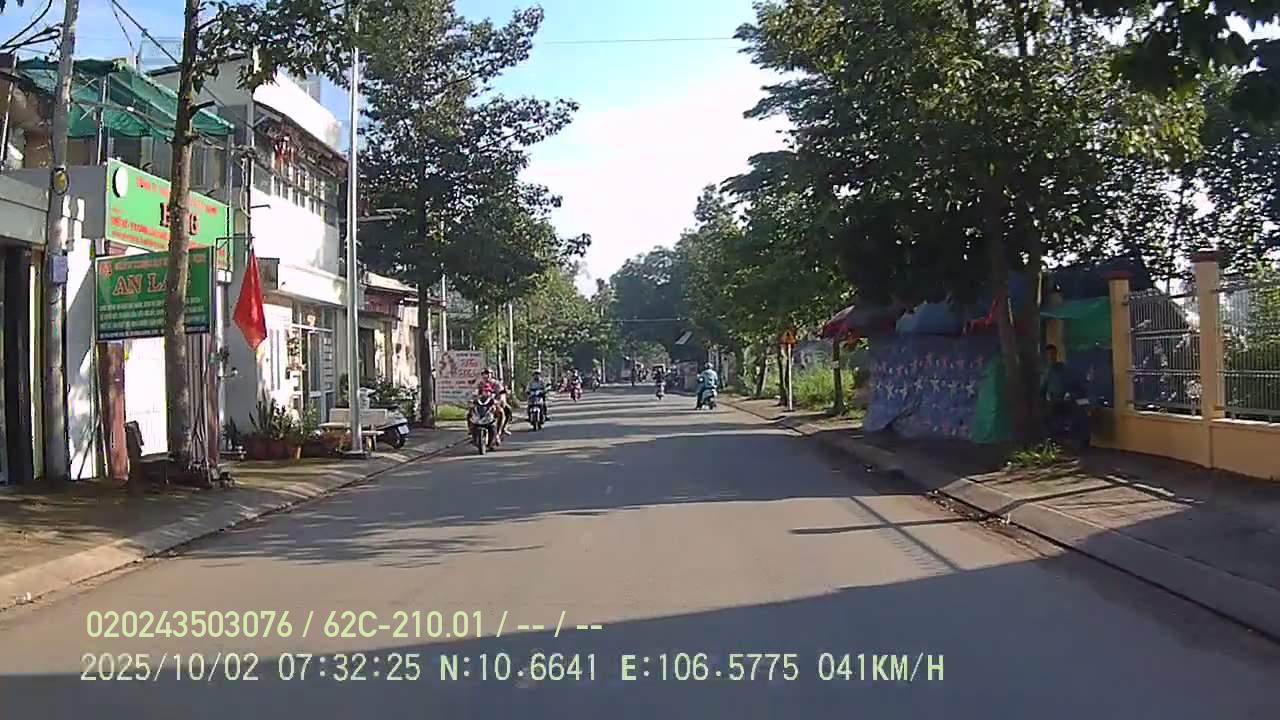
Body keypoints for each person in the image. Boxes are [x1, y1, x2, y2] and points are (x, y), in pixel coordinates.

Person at [477, 368, 512, 440]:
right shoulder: (480, 384)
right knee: (470, 413)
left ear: (491, 375)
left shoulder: (496, 383)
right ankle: (471, 430)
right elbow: (476, 394)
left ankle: (500, 430)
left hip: (494, 404)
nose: (486, 376)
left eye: (488, 374)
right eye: (484, 374)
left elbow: (501, 393)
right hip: (482, 404)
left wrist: (500, 400)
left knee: (504, 411)